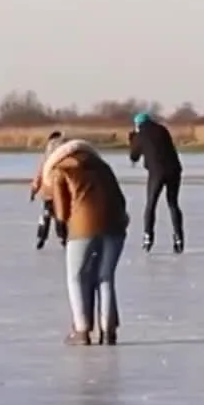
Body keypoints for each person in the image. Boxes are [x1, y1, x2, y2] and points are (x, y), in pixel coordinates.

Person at [39, 137, 129, 346]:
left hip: (83, 227)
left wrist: (62, 228)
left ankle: (81, 330)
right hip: (115, 224)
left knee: (76, 278)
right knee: (105, 277)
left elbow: (61, 207)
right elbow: (119, 197)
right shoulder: (102, 165)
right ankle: (108, 331)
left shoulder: (60, 169)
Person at [126, 111, 184, 254]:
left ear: (138, 125)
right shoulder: (162, 129)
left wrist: (132, 140)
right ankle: (178, 237)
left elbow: (134, 157)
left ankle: (148, 236)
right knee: (173, 203)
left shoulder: (139, 136)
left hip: (157, 172)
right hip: (174, 170)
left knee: (151, 204)